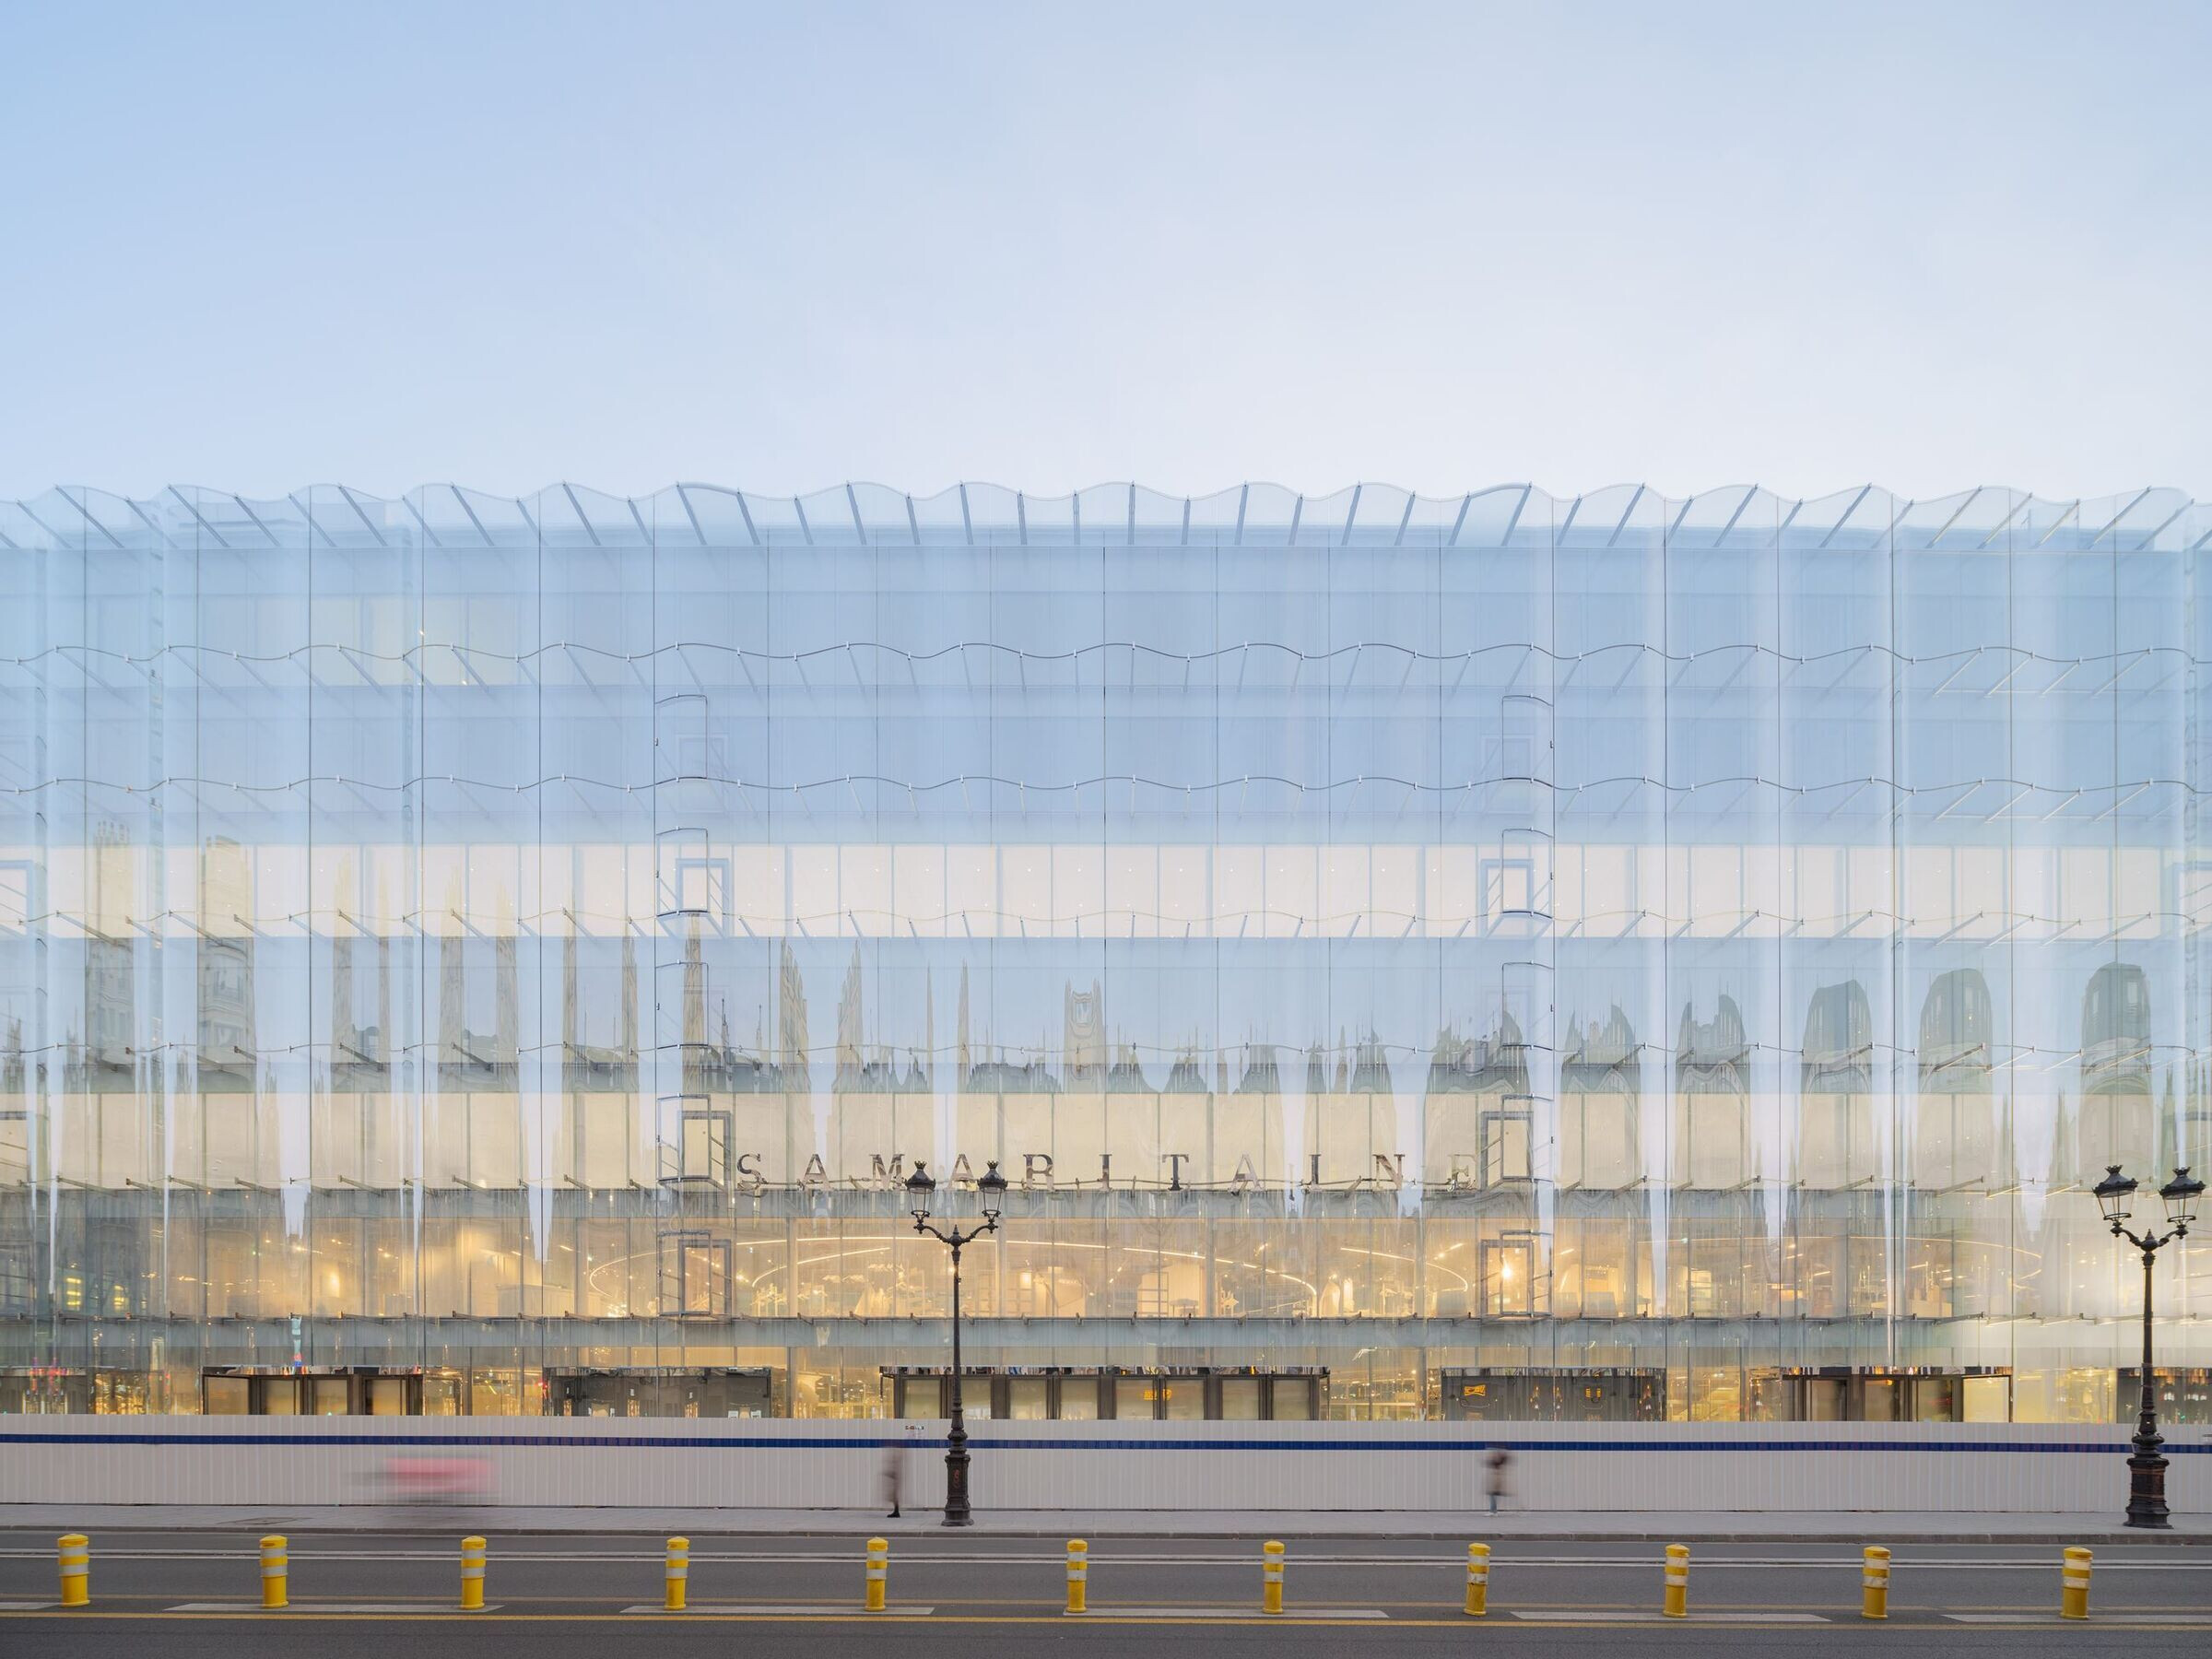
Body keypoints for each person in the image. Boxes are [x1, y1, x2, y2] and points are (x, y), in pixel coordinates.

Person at [1485, 1444, 1512, 1513]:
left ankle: (1493, 1510)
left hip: (1496, 1479)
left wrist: (1495, 1455)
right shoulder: (1499, 1462)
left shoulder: (1498, 1463)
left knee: (1492, 1494)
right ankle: (1493, 1510)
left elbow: (1492, 1463)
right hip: (1496, 1479)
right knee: (1493, 1495)